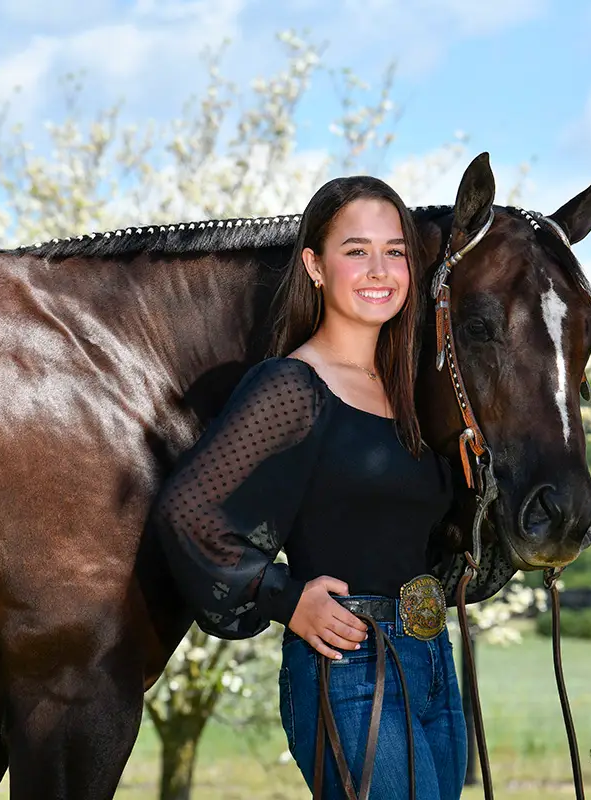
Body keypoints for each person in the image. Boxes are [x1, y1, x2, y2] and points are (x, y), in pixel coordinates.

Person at [148, 175, 467, 799]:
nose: (380, 268)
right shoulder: (292, 386)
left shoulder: (407, 393)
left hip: (431, 659)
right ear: (315, 267)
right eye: (356, 250)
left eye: (395, 250)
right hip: (350, 667)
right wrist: (284, 597)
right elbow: (187, 510)